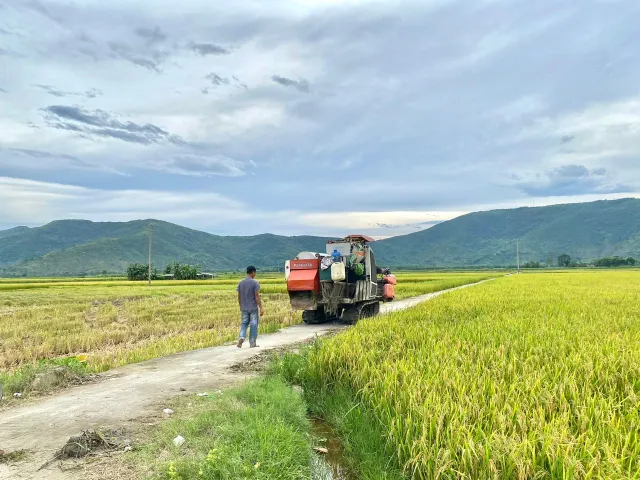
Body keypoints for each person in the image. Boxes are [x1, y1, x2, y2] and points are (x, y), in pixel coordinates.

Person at [236, 265, 264, 348]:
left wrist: (240, 306)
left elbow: (239, 296)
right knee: (254, 324)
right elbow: (257, 296)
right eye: (255, 273)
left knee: (244, 323)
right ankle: (252, 343)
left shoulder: (241, 282)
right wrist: (261, 307)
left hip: (244, 307)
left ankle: (241, 337)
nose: (255, 274)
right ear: (253, 272)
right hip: (253, 308)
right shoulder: (255, 282)